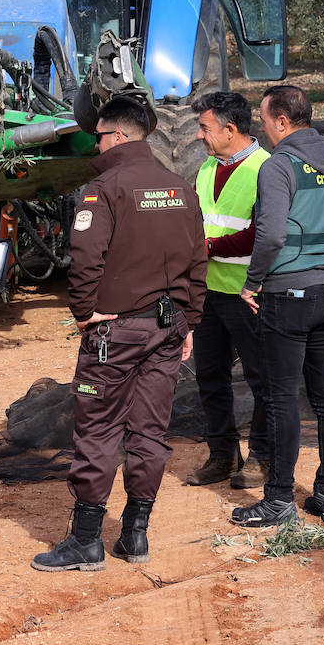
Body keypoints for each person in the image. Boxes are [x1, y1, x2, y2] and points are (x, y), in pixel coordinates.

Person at [32, 97, 206, 571]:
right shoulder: (179, 188)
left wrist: (84, 312)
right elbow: (197, 261)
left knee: (99, 429)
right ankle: (136, 535)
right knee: (150, 431)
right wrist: (188, 319)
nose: (97, 143)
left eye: (101, 136)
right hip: (167, 330)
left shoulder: (103, 189)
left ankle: (86, 540)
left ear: (120, 137)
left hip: (116, 332)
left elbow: (85, 260)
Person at [233, 84, 324, 527]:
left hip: (288, 295)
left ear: (283, 122)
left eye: (264, 121)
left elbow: (270, 236)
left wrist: (253, 283)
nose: (262, 130)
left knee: (282, 397)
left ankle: (279, 499)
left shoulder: (278, 167)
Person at [185, 91, 271, 490]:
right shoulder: (206, 168)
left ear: (229, 129)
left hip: (248, 293)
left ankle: (263, 458)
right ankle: (223, 455)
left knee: (261, 377)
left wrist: (209, 248)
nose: (199, 135)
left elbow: (264, 234)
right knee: (210, 376)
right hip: (208, 293)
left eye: (204, 128)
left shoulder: (265, 169)